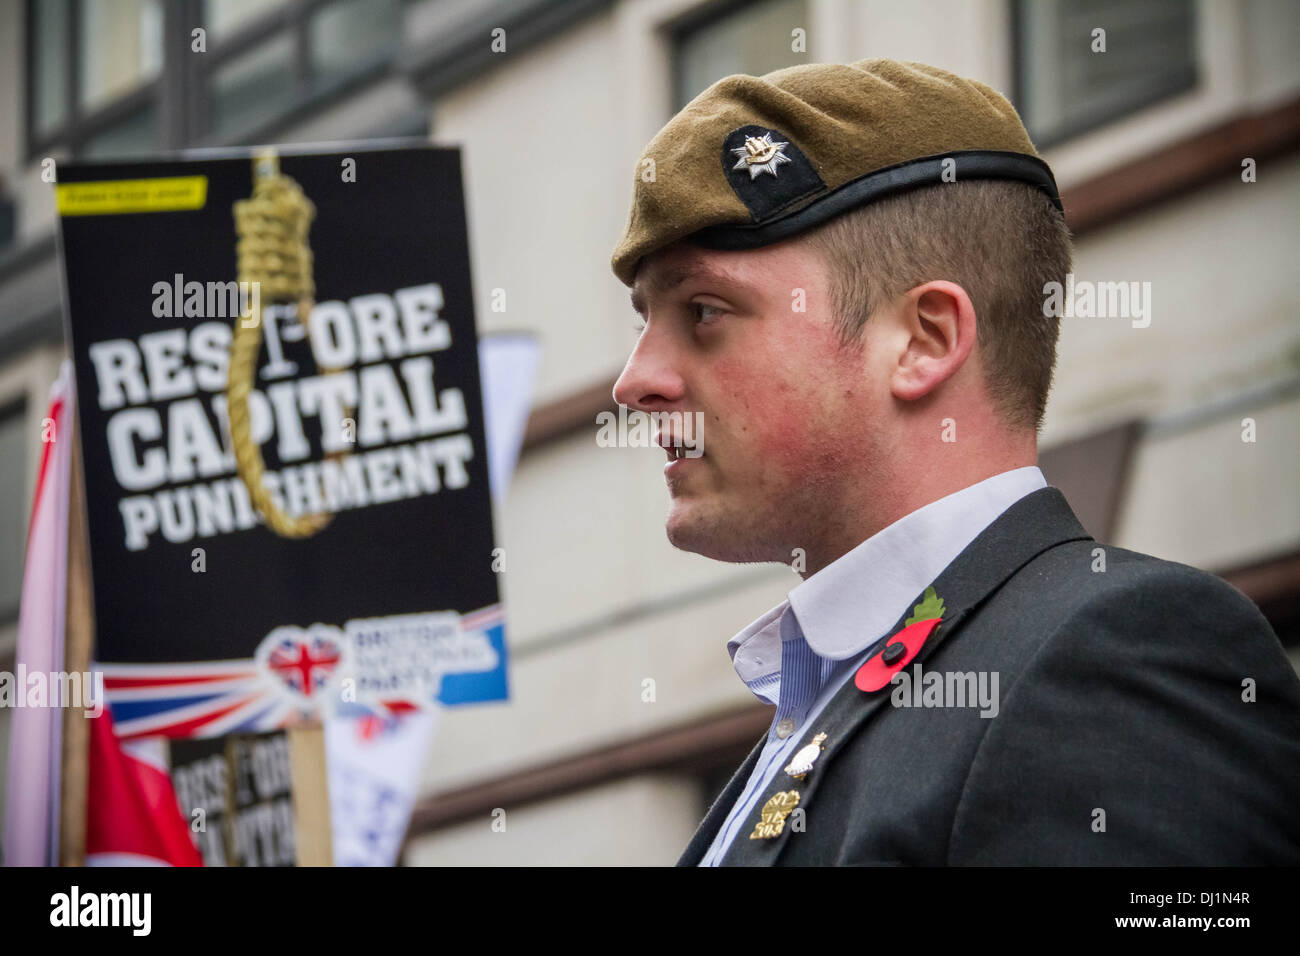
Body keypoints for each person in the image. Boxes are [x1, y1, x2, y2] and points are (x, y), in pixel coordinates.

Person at [608, 58, 1300, 865]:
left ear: (924, 341)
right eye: (642, 320)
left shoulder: (1104, 659)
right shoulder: (843, 691)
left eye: (704, 310)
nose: (635, 382)